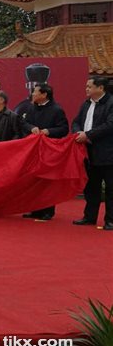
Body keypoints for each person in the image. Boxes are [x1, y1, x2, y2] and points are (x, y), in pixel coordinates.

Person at [21, 83, 69, 220]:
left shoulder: (57, 110)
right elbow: (24, 123)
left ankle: (48, 210)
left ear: (44, 94)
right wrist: (31, 128)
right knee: (33, 179)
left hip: (49, 150)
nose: (33, 94)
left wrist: (49, 131)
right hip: (34, 149)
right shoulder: (31, 108)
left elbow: (64, 129)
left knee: (46, 180)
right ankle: (34, 209)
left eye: (35, 92)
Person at [71, 77, 113, 231]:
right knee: (91, 187)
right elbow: (76, 121)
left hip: (108, 153)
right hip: (88, 152)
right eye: (86, 86)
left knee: (111, 188)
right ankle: (89, 216)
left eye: (89, 86)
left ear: (100, 88)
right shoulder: (86, 104)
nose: (87, 89)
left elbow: (110, 125)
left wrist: (88, 135)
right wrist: (78, 133)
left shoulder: (111, 103)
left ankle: (111, 220)